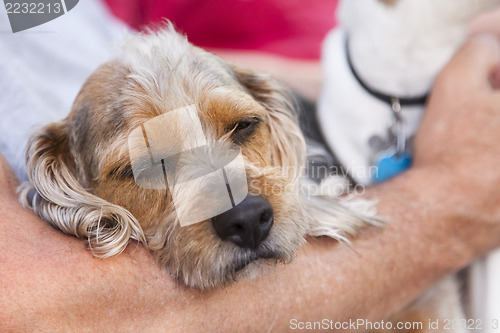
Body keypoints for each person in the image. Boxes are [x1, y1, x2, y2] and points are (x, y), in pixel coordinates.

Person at [2, 2, 500, 331]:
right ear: (65, 180)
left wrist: (427, 76)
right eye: (149, 163)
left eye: (241, 129)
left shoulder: (44, 12)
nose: (238, 207)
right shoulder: (58, 162)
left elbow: (165, 68)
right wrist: (449, 196)